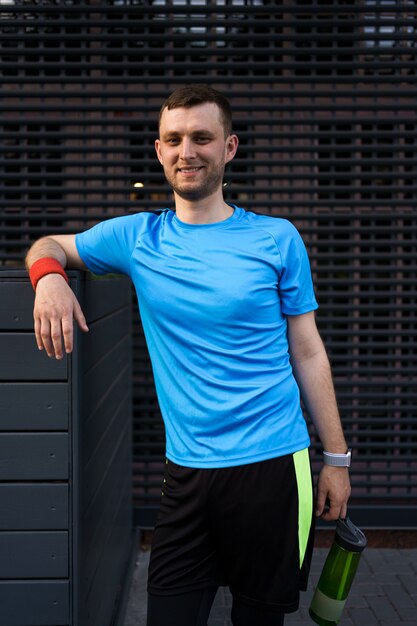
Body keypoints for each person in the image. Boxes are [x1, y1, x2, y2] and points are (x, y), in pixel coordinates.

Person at [26, 84, 351, 626]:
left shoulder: (276, 238)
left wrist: (336, 461)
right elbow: (48, 245)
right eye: (174, 139)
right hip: (187, 471)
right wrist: (50, 281)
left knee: (259, 619)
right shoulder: (137, 238)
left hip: (273, 466)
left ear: (229, 147)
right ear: (158, 150)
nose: (187, 151)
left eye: (202, 137)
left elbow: (308, 351)